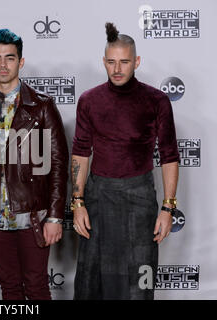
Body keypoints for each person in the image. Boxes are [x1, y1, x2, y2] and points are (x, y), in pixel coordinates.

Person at [71, 22, 180, 300]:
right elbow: (81, 153)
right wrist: (78, 203)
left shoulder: (157, 101)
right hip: (97, 197)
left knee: (140, 282)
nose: (117, 68)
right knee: (90, 281)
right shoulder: (89, 100)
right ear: (103, 62)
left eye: (124, 61)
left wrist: (168, 207)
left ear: (137, 61)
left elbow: (169, 155)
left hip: (140, 198)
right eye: (111, 62)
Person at [0, 29, 69, 300]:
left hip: (33, 214)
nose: (3, 65)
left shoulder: (42, 106)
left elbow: (58, 164)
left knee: (36, 286)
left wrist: (56, 216)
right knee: (9, 287)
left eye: (9, 58)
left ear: (20, 62)